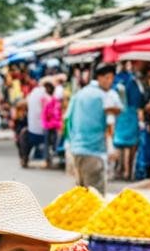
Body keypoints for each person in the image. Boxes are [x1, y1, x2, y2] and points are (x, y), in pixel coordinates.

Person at [67, 63, 117, 194]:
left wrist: (70, 143)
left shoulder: (79, 94)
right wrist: (111, 148)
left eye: (112, 78)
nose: (110, 82)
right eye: (107, 78)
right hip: (93, 151)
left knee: (82, 194)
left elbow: (68, 119)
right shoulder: (104, 96)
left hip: (77, 150)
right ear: (99, 78)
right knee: (95, 197)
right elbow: (110, 123)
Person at [113, 63, 144, 180]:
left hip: (119, 114)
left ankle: (119, 170)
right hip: (131, 114)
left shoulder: (115, 80)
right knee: (131, 144)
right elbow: (138, 100)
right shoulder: (133, 81)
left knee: (119, 143)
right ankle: (128, 171)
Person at [23, 77, 49, 167]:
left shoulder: (32, 94)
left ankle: (25, 158)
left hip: (32, 130)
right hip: (43, 131)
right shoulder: (45, 94)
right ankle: (47, 159)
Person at [42, 78, 65, 168]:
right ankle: (47, 159)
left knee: (58, 138)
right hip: (50, 126)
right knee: (47, 139)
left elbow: (60, 117)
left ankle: (58, 156)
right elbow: (44, 116)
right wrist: (47, 125)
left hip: (57, 126)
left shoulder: (58, 103)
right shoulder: (49, 102)